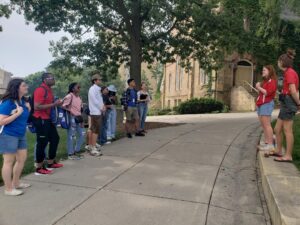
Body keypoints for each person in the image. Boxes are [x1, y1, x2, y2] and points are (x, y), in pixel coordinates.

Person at [0, 79, 31, 195]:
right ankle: (8, 189)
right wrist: (17, 113)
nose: (26, 87)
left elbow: (23, 119)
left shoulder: (22, 101)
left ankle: (16, 183)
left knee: (21, 159)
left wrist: (28, 109)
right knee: (8, 161)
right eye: (24, 85)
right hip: (8, 135)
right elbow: (1, 121)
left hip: (21, 134)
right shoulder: (8, 102)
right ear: (17, 88)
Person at [270, 49, 300, 162]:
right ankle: (279, 151)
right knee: (277, 129)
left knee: (287, 130)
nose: (277, 63)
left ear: (283, 62)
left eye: (279, 61)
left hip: (288, 103)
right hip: (286, 103)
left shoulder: (290, 73)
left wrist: (298, 103)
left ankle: (288, 155)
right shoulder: (287, 72)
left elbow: (293, 90)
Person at [33, 73, 63, 175]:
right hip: (40, 119)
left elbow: (48, 104)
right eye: (52, 78)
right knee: (42, 142)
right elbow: (37, 106)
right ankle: (39, 167)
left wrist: (57, 103)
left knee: (55, 138)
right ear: (45, 80)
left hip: (47, 119)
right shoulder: (40, 90)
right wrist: (54, 104)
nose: (54, 79)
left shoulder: (49, 90)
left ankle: (50, 163)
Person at [256, 65, 277, 151]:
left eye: (264, 70)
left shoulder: (272, 81)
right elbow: (261, 92)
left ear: (269, 71)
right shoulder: (264, 81)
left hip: (267, 104)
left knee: (267, 124)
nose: (262, 72)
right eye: (262, 70)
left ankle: (271, 144)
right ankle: (267, 142)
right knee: (263, 124)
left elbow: (267, 93)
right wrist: (259, 88)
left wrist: (259, 87)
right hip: (261, 104)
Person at [62, 82, 84, 160]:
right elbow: (63, 106)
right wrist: (71, 111)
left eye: (79, 87)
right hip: (71, 118)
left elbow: (80, 110)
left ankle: (76, 150)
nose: (79, 88)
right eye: (77, 87)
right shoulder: (69, 96)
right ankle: (70, 153)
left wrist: (81, 121)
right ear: (72, 88)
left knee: (82, 134)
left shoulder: (79, 97)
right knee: (71, 136)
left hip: (78, 118)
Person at [87, 73, 105, 156]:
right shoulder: (92, 89)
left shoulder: (97, 88)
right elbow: (95, 100)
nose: (100, 80)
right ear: (95, 81)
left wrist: (102, 106)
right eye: (99, 79)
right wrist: (101, 107)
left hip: (97, 111)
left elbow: (99, 100)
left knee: (93, 129)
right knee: (95, 131)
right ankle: (93, 148)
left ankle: (91, 145)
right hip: (95, 112)